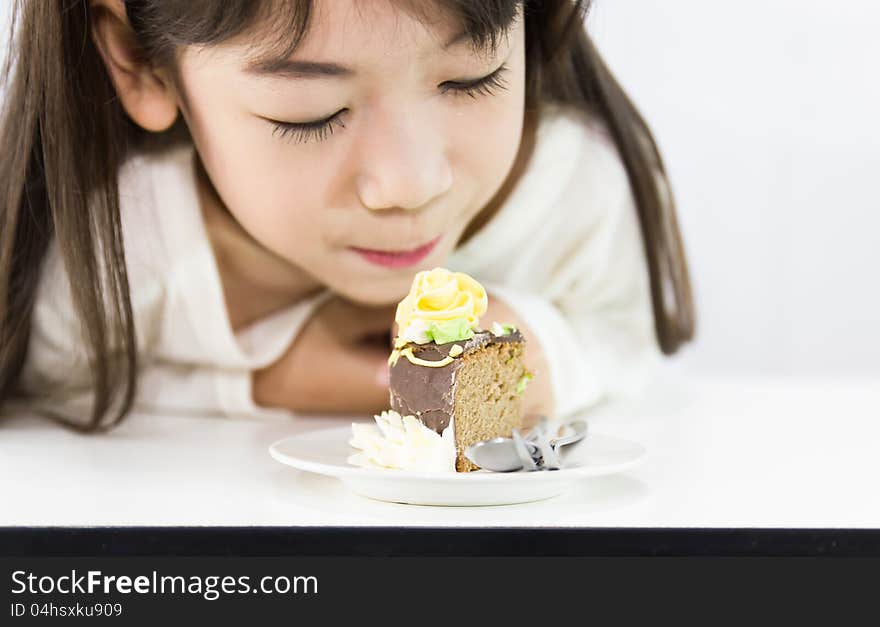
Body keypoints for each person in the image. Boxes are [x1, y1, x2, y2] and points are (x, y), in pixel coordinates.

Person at [0, 0, 694, 432]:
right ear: (140, 64)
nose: (410, 184)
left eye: (470, 78)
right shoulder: (119, 244)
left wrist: (552, 359)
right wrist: (274, 379)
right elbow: (51, 375)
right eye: (312, 116)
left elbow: (631, 348)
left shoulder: (569, 193)